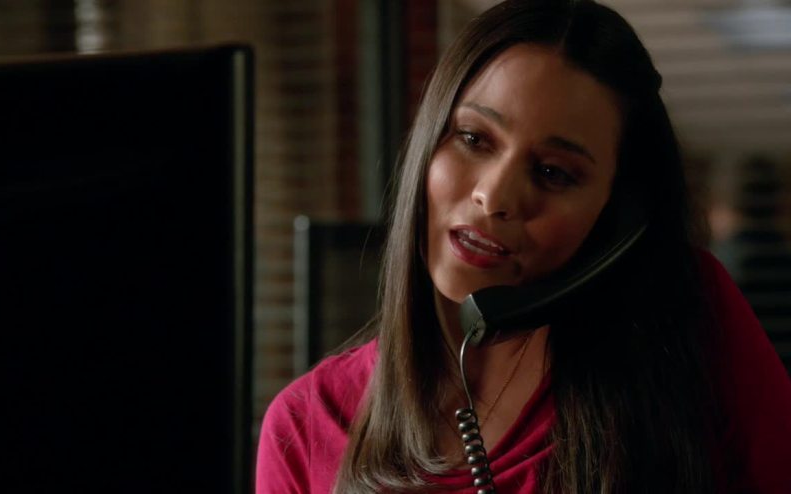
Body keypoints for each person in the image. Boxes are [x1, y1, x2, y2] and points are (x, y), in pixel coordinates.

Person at [256, 1, 791, 492]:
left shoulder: (688, 316)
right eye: (474, 139)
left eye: (554, 172)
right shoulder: (305, 425)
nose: (495, 198)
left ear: (614, 216)